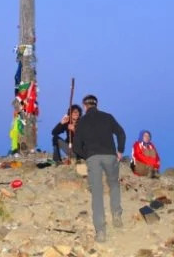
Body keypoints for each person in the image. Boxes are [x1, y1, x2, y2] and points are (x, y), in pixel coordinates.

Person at [72, 94, 126, 243]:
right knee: (114, 184)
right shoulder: (108, 117)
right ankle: (116, 214)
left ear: (85, 105)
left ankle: (101, 232)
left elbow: (76, 146)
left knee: (97, 193)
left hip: (93, 159)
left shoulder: (82, 122)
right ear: (96, 104)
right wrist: (120, 150)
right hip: (110, 156)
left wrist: (87, 155)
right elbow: (121, 133)